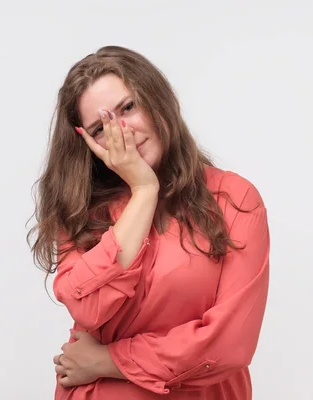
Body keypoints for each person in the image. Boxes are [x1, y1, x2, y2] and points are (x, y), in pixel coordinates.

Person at [28, 45, 270, 399]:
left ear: (157, 98)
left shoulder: (234, 198)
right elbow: (89, 307)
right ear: (88, 145)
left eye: (128, 107)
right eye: (100, 128)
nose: (122, 132)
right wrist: (143, 190)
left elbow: (230, 344)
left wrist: (108, 360)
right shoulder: (80, 210)